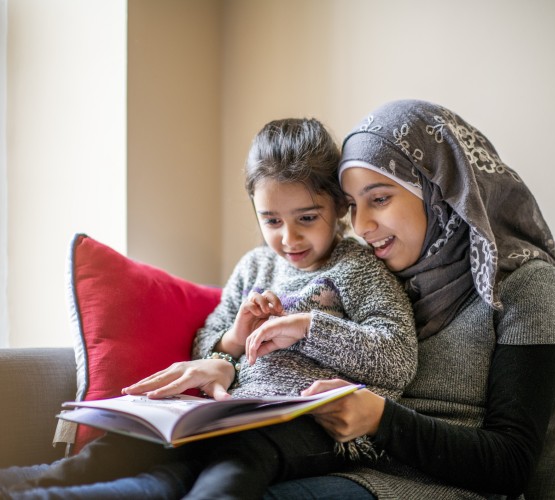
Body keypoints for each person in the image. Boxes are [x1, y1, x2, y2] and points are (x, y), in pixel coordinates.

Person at [0, 118, 417, 499]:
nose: (289, 237)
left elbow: (397, 357)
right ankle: (34, 485)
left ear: (339, 208)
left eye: (307, 218)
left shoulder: (358, 267)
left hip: (313, 426)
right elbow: (206, 343)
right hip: (231, 413)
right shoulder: (254, 266)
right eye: (271, 221)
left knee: (230, 467)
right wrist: (234, 338)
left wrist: (309, 327)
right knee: (124, 445)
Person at [264, 99, 555, 499]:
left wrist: (381, 419)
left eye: (379, 199)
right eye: (353, 207)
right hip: (342, 464)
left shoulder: (525, 284)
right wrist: (226, 359)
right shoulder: (374, 276)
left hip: (435, 489)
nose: (361, 226)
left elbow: (512, 463)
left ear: (439, 191)